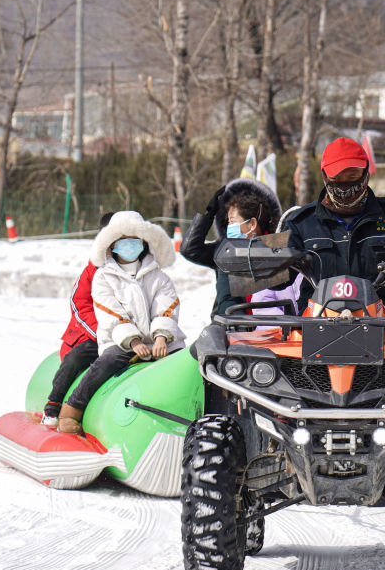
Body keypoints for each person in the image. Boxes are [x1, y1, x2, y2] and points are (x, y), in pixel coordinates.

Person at [56, 211, 185, 435]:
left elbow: (167, 306)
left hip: (159, 341)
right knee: (108, 361)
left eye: (135, 239)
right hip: (121, 342)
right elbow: (110, 313)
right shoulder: (103, 277)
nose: (130, 245)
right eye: (123, 240)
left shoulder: (159, 276)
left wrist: (161, 336)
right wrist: (133, 341)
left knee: (184, 363)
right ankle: (72, 409)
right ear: (112, 243)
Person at [283, 137, 385, 314]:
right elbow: (275, 275)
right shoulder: (301, 222)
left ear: (366, 173)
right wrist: (260, 257)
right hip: (318, 319)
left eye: (352, 176)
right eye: (337, 178)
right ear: (324, 176)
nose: (345, 185)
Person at [42, 211, 115, 427]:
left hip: (129, 335)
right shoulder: (92, 270)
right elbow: (79, 304)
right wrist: (101, 332)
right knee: (75, 358)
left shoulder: (137, 268)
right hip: (94, 334)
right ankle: (53, 404)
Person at [181, 178, 282, 317]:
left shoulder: (278, 251)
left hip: (273, 325)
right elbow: (190, 250)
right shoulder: (226, 251)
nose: (229, 227)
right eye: (228, 222)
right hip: (232, 324)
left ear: (252, 224)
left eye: (233, 222)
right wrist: (208, 214)